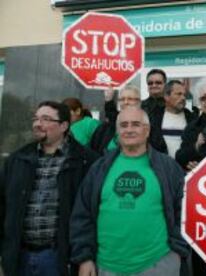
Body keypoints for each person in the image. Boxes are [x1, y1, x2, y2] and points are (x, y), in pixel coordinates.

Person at [70, 106, 190, 276]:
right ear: (117, 131)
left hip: (158, 263)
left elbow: (185, 211)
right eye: (124, 125)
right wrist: (84, 258)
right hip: (106, 266)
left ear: (147, 130)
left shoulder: (168, 167)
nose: (129, 130)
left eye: (135, 124)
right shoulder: (99, 168)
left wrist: (177, 251)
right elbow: (82, 215)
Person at [0, 101, 98, 276]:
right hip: (19, 257)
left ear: (64, 126)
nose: (38, 124)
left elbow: (91, 214)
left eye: (46, 119)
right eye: (36, 119)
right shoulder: (17, 159)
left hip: (59, 258)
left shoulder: (86, 161)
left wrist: (85, 256)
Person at [175, 77, 206, 171]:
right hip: (205, 179)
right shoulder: (193, 127)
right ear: (199, 102)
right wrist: (196, 146)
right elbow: (180, 157)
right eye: (203, 98)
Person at [149, 80, 196, 157]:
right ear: (166, 96)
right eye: (179, 94)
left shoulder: (192, 118)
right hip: (161, 166)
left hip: (184, 167)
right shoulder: (154, 118)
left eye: (184, 95)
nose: (183, 98)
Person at [90, 85, 141, 155]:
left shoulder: (146, 127)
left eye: (130, 99)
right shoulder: (104, 129)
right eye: (122, 99)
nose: (126, 102)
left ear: (139, 102)